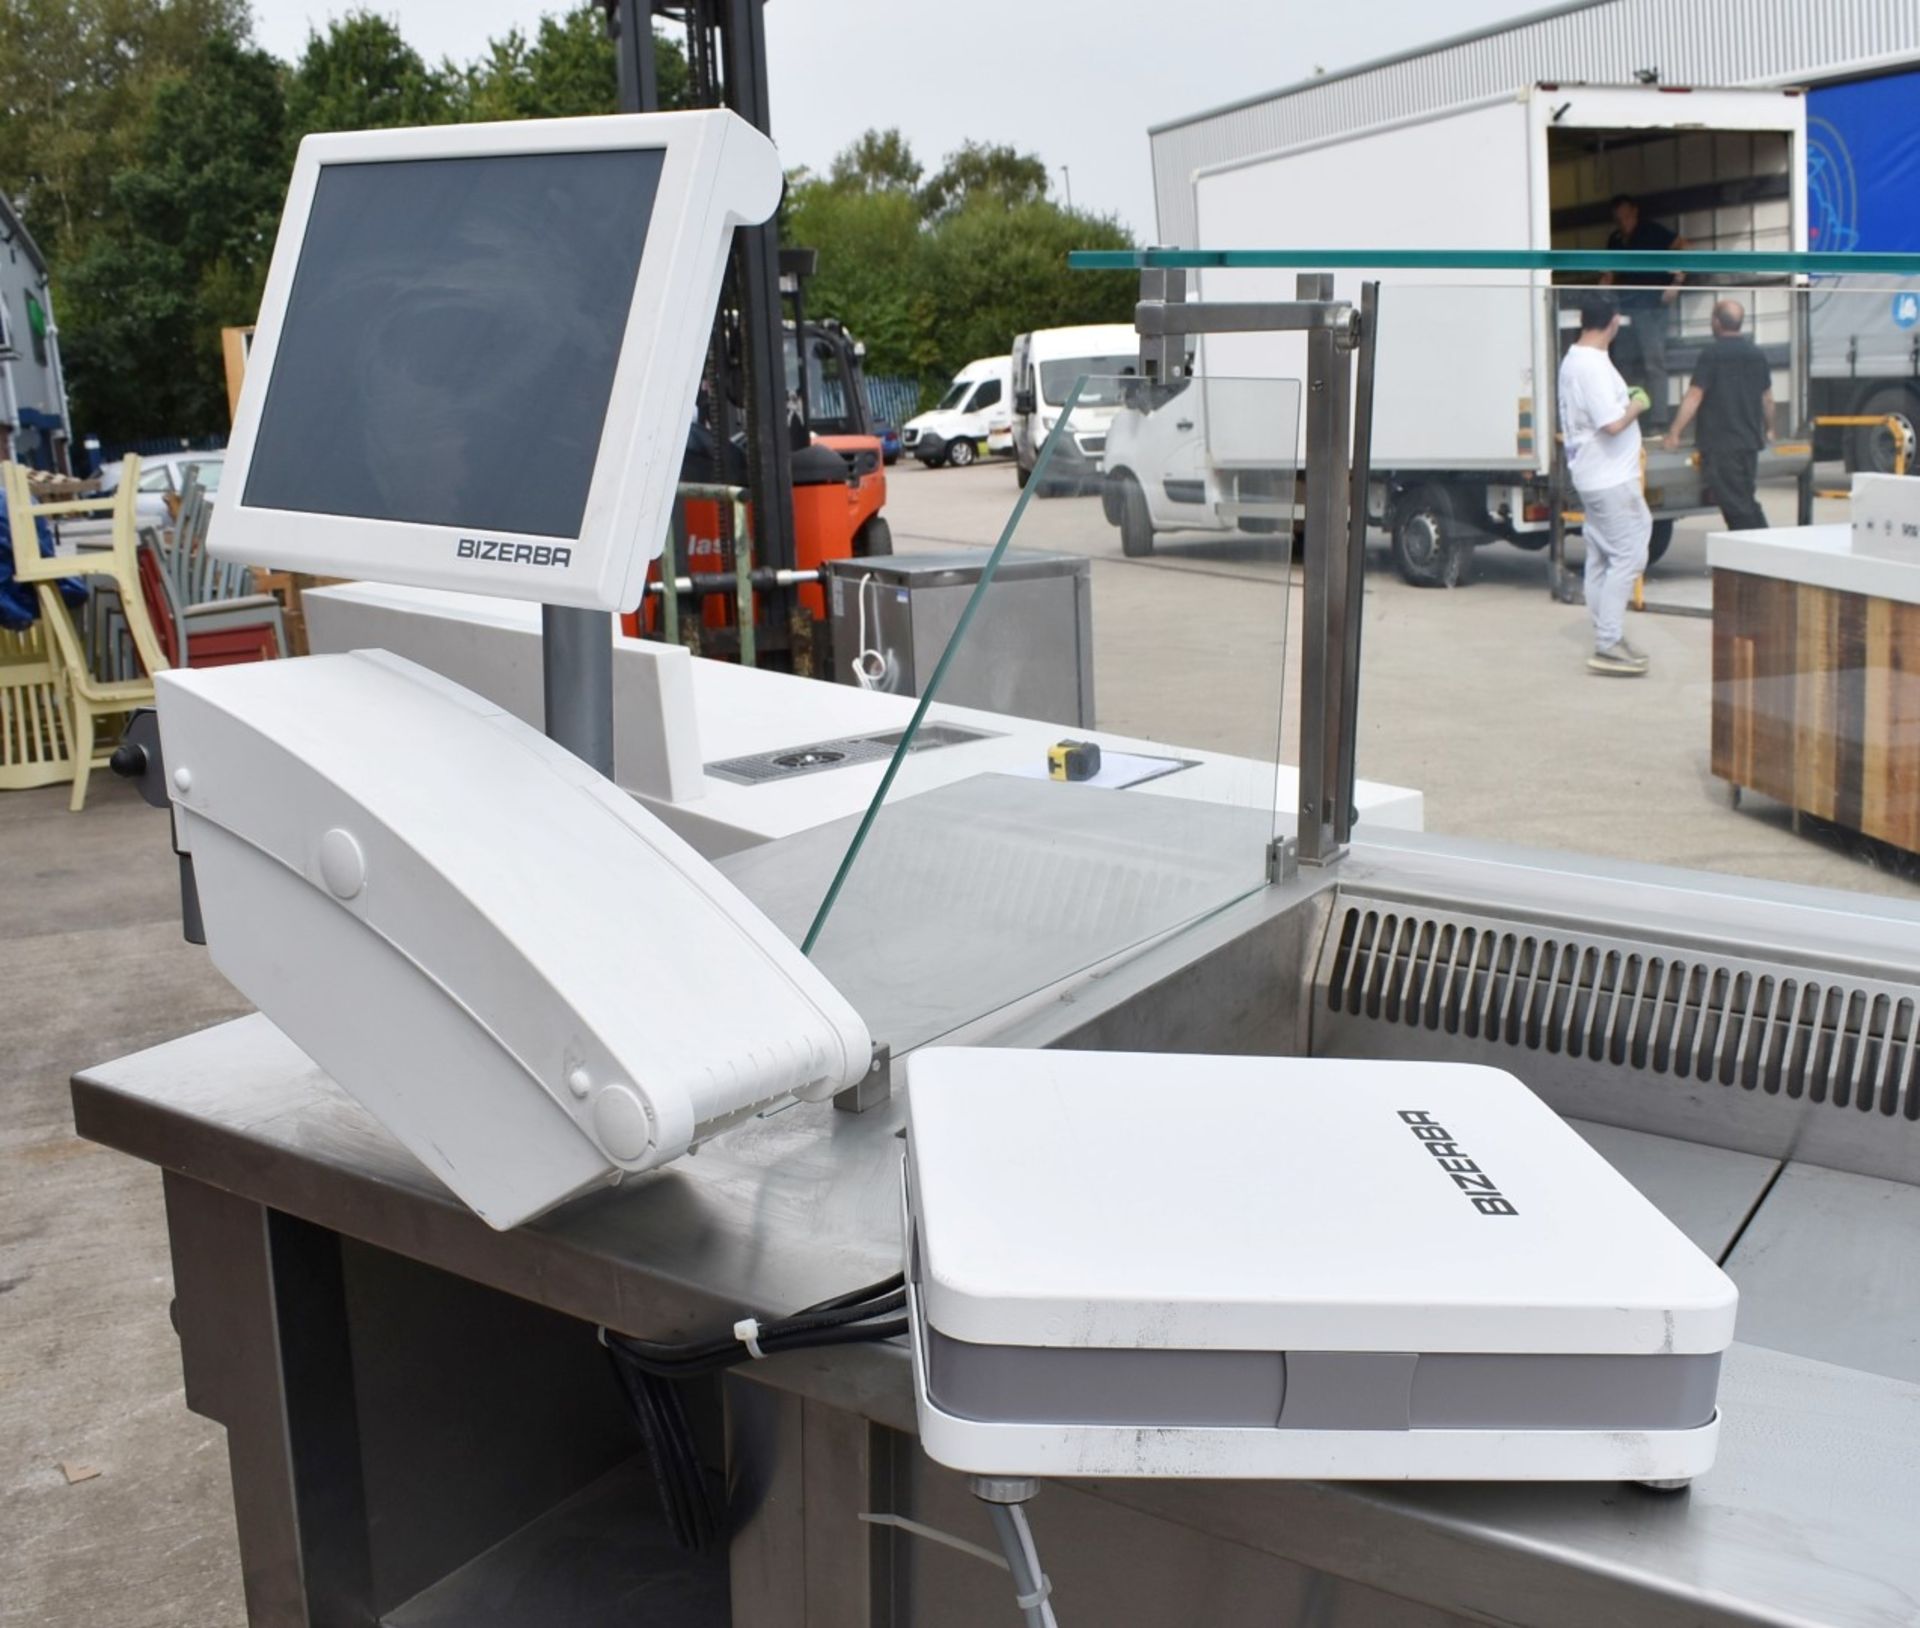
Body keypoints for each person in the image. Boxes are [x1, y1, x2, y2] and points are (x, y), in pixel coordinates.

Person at [1559, 293, 1652, 677]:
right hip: (1610, 477)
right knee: (1630, 556)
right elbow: (1611, 424)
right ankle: (1608, 642)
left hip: (1594, 475)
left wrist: (1624, 399)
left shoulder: (1575, 359)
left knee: (1600, 557)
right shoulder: (1592, 366)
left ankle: (1606, 633)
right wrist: (1638, 404)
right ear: (1613, 322)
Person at [1663, 299, 1773, 532]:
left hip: (1722, 445)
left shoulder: (1712, 355)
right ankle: (1761, 548)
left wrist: (1674, 433)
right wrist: (1770, 428)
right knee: (1744, 498)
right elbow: (1768, 398)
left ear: (1716, 322)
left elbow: (1694, 396)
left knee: (1736, 506)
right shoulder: (1756, 354)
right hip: (1749, 443)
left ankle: (1760, 551)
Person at [1600, 195, 1688, 428]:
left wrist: (1677, 282)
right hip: (1624, 307)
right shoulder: (1616, 239)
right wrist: (1599, 292)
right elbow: (1609, 272)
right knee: (1623, 362)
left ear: (1635, 212)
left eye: (1627, 217)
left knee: (1653, 362)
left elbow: (1685, 246)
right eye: (1619, 219)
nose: (1624, 222)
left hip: (1651, 306)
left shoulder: (1651, 231)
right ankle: (1626, 416)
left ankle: (1659, 419)